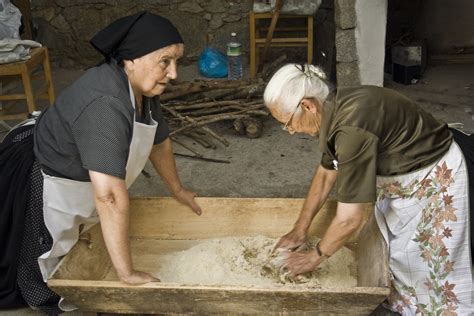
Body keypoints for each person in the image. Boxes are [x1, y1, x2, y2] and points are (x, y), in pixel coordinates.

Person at [0, 11, 202, 312]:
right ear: (131, 59)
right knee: (43, 259)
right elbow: (108, 196)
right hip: (47, 173)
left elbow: (158, 140)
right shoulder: (106, 105)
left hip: (82, 175)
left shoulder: (143, 88)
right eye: (165, 61)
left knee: (82, 239)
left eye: (177, 61)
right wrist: (126, 274)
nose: (173, 74)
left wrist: (177, 189)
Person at [265, 63, 473, 315]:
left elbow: (350, 219)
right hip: (403, 174)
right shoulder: (333, 107)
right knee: (398, 250)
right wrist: (300, 229)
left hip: (434, 174)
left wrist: (314, 256)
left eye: (288, 123)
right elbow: (325, 173)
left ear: (308, 106)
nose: (289, 132)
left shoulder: (351, 130)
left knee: (430, 264)